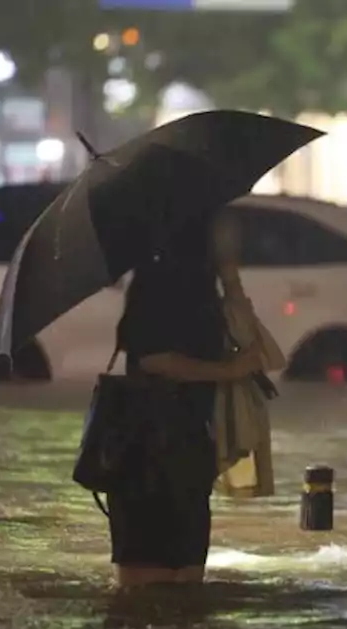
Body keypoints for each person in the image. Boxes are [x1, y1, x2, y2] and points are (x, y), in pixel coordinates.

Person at [106, 211, 262, 588]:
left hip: (190, 449)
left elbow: (252, 343)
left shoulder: (207, 285)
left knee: (188, 583)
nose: (234, 231)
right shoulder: (160, 280)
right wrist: (230, 371)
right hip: (147, 451)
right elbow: (155, 359)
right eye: (223, 224)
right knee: (144, 586)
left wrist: (230, 275)